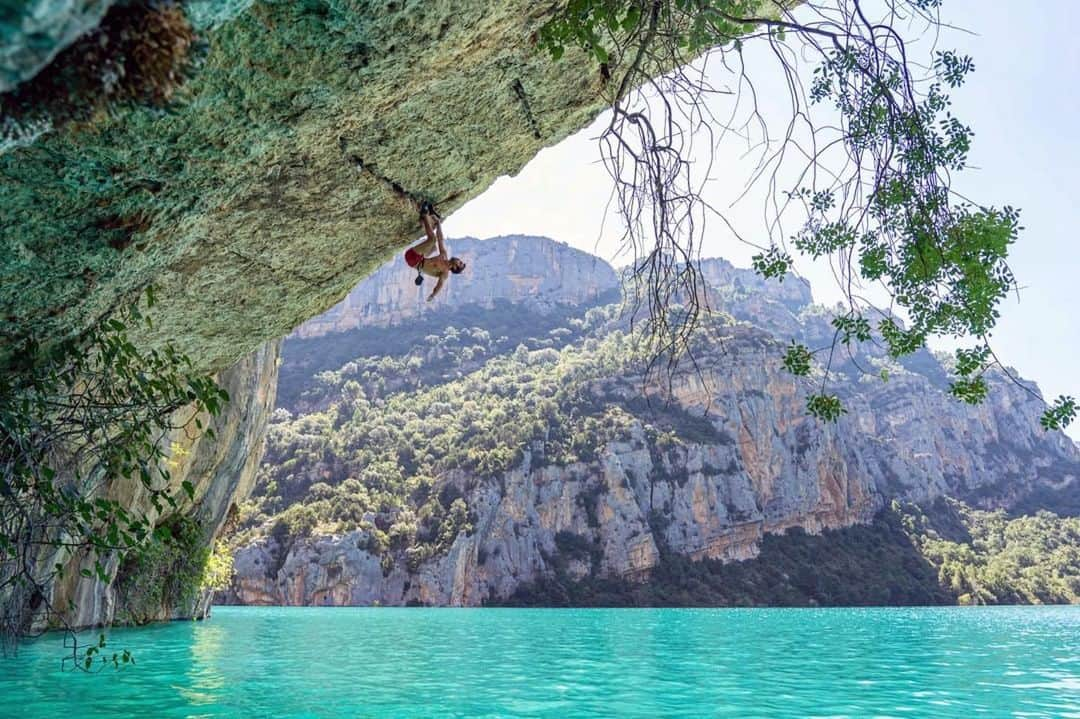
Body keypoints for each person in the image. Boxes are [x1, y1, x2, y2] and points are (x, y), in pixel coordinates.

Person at [403, 202, 466, 302]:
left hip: (413, 260)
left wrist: (432, 295)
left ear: (455, 267)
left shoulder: (444, 273)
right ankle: (431, 219)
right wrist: (439, 224)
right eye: (461, 261)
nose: (459, 260)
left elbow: (439, 286)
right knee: (434, 248)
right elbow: (440, 239)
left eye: (460, 263)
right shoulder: (444, 255)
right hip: (419, 257)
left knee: (432, 240)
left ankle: (424, 214)